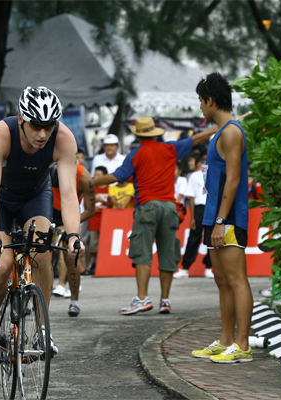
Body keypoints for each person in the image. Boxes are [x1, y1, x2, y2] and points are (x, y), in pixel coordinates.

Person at [0, 86, 84, 365]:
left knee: (40, 249)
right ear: (22, 119)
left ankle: (43, 330)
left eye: (48, 126)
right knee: (2, 263)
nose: (42, 134)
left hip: (35, 196)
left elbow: (70, 194)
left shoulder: (63, 139)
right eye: (36, 125)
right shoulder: (1, 133)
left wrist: (73, 235)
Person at [93, 117, 214, 316]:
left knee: (142, 254)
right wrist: (218, 127)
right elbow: (197, 138)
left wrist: (93, 181)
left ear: (138, 135)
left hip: (147, 206)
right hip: (170, 206)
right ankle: (165, 301)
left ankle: (142, 299)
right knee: (168, 254)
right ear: (154, 132)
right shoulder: (170, 148)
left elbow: (117, 177)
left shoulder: (136, 153)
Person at [190, 72, 253, 363]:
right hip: (214, 216)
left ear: (211, 100)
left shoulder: (231, 132)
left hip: (226, 218)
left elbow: (234, 180)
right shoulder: (222, 130)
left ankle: (242, 345)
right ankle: (226, 339)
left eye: (201, 102)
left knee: (237, 280)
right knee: (221, 280)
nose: (200, 107)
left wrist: (220, 221)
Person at [50, 162, 95, 316]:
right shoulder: (45, 169)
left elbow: (91, 209)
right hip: (46, 208)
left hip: (69, 213)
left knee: (71, 256)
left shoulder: (84, 177)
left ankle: (74, 302)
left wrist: (68, 225)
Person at [176, 152, 213, 279]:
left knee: (211, 238)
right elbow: (191, 197)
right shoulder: (194, 176)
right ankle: (185, 268)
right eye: (202, 160)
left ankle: (209, 267)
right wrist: (192, 217)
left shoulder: (215, 174)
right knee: (194, 238)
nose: (205, 163)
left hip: (212, 208)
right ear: (198, 162)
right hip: (199, 208)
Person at [86, 166, 110, 274]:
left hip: (106, 221)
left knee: (105, 244)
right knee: (92, 245)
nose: (96, 177)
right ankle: (94, 264)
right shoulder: (92, 188)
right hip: (93, 220)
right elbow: (85, 202)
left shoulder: (110, 188)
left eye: (99, 175)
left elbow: (112, 205)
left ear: (105, 176)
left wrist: (103, 201)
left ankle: (105, 264)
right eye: (95, 175)